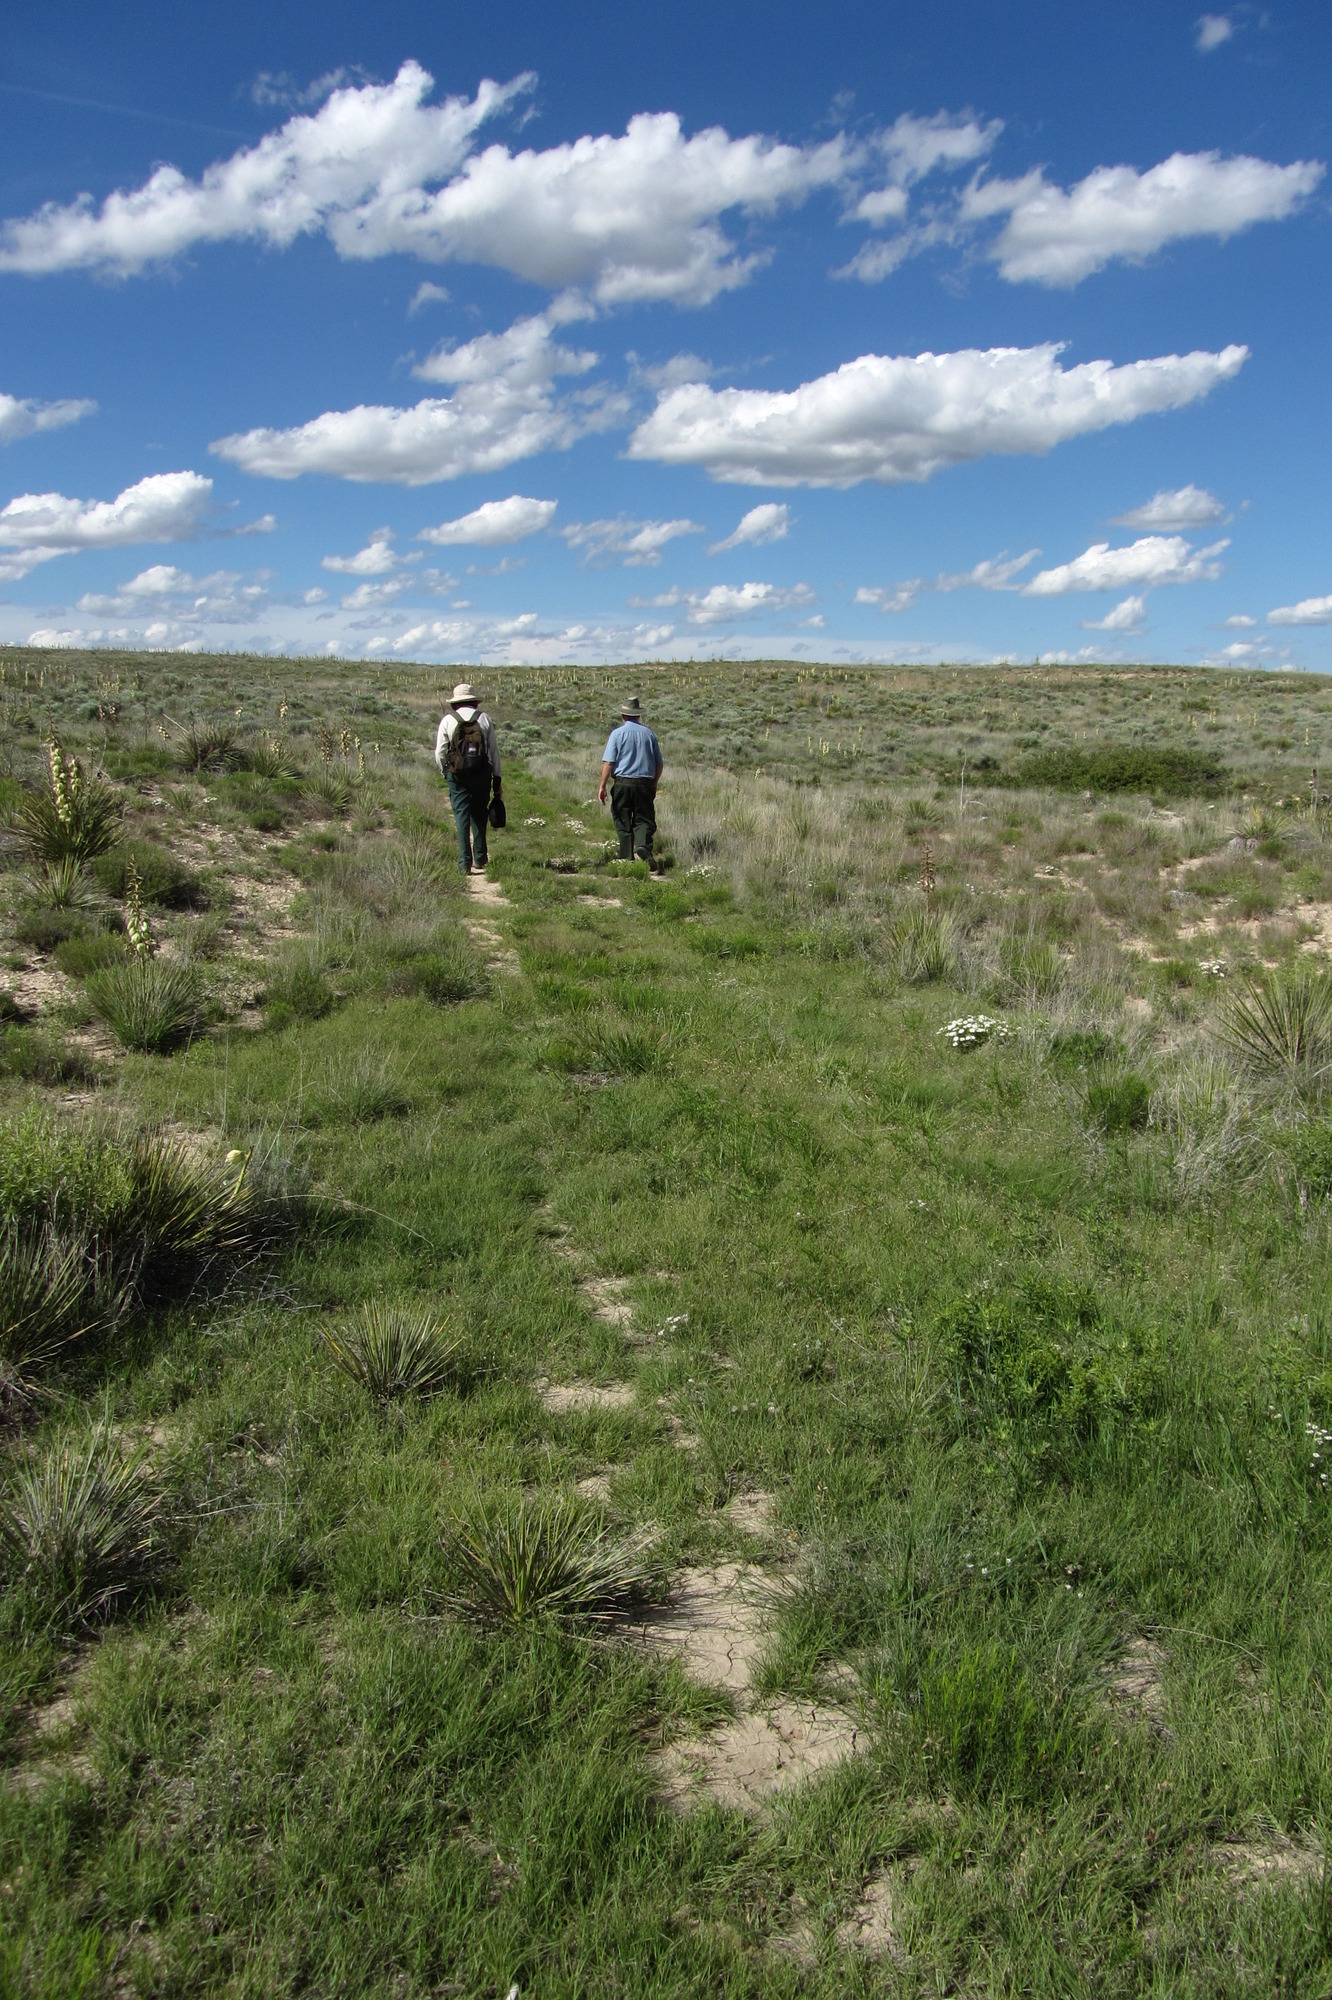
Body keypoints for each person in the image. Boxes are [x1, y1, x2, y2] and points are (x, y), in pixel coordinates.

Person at [435, 682, 502, 874]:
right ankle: (480, 857)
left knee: (461, 815)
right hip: (481, 773)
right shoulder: (484, 719)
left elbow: (440, 752)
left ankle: (464, 863)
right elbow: (493, 752)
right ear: (474, 702)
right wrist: (497, 778)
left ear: (455, 703)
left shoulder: (448, 720)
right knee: (479, 813)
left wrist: (445, 772)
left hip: (456, 775)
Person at [598, 696, 664, 868]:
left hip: (622, 783)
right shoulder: (649, 734)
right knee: (644, 818)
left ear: (623, 715)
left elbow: (609, 762)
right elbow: (659, 764)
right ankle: (643, 846)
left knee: (622, 818)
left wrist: (602, 786)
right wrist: (654, 783)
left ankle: (626, 856)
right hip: (644, 784)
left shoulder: (617, 734)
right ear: (638, 715)